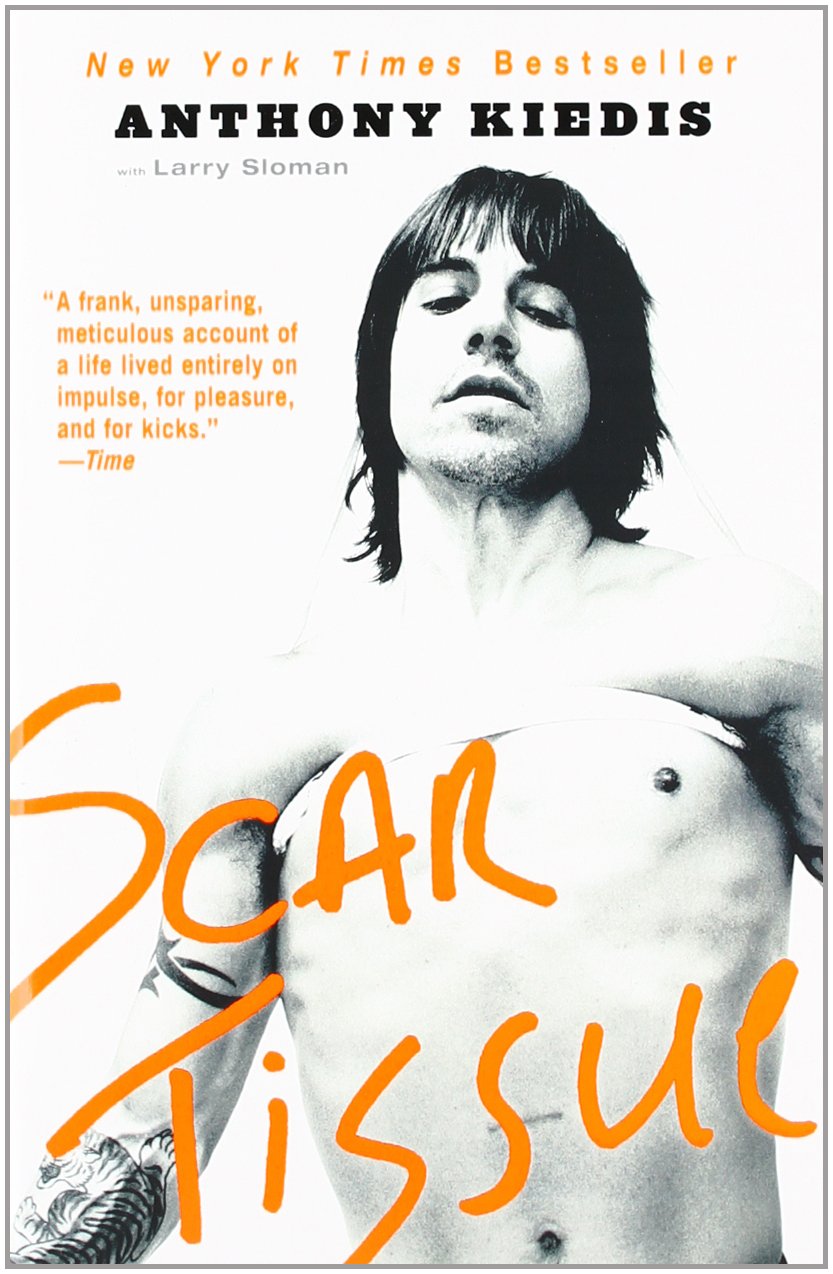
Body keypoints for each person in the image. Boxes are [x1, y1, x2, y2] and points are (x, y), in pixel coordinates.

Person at [12, 167, 821, 1266]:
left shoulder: (749, 633)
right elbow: (150, 1122)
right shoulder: (260, 726)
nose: (490, 327)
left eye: (546, 310)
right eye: (442, 300)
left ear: (605, 378)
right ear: (379, 368)